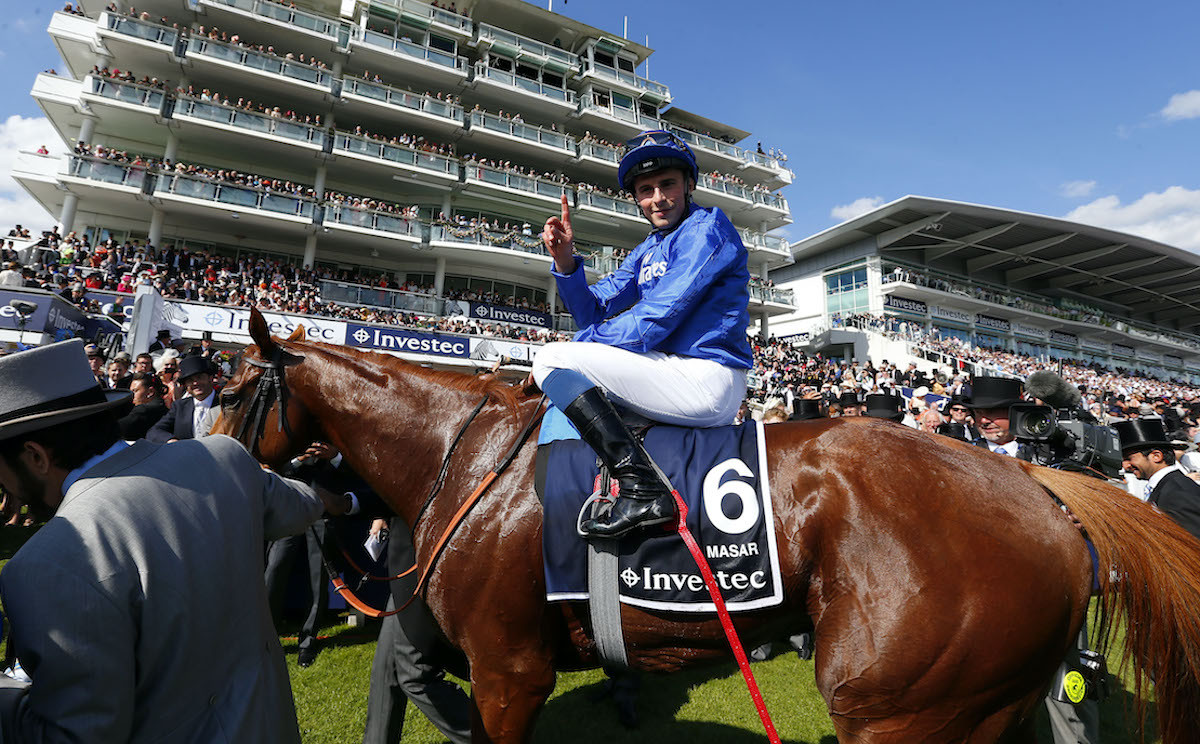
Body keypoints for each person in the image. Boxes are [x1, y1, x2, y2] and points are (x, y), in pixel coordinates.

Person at [0, 339, 349, 742]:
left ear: (35, 456)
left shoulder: (45, 565)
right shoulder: (223, 458)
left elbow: (76, 734)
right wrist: (337, 503)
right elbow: (300, 504)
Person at [534, 130, 752, 537]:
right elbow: (593, 310)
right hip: (668, 374)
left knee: (549, 359)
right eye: (646, 189)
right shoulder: (649, 248)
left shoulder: (708, 229)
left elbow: (656, 317)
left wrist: (577, 346)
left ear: (689, 185)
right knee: (565, 392)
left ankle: (643, 490)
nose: (658, 198)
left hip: (705, 377)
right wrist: (565, 263)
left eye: (667, 183)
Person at [965, 375, 1099, 744]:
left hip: (1054, 590)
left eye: (996, 412)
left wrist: (1083, 516)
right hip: (982, 594)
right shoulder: (959, 457)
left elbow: (1102, 504)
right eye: (978, 413)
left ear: (1019, 412)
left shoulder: (1056, 453)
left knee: (1068, 688)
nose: (985, 420)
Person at [1115, 418, 1200, 541]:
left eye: (1129, 458)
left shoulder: (1177, 492)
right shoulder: (1166, 486)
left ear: (1156, 456)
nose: (1125, 465)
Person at [147, 355, 217, 442]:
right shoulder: (180, 406)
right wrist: (171, 440)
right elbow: (154, 432)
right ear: (186, 385)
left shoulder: (225, 405)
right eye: (190, 380)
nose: (195, 383)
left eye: (199, 377)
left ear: (210, 378)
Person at [117, 371, 168, 441]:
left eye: (135, 391)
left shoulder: (143, 410)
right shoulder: (163, 407)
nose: (131, 395)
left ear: (150, 392)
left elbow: (116, 428)